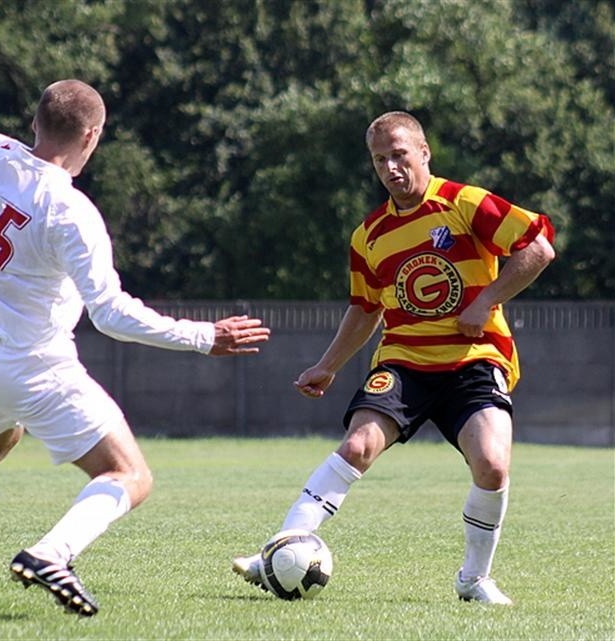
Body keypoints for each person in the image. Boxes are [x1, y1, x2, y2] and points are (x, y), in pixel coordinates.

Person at [0, 14, 271, 616]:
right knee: (131, 475)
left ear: (34, 123)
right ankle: (52, 551)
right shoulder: (70, 210)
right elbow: (111, 314)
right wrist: (205, 336)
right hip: (36, 365)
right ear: (92, 136)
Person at [232, 111, 555, 606]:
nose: (390, 167)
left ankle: (474, 579)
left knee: (492, 465)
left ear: (424, 152)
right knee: (358, 445)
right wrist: (328, 365)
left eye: (399, 154)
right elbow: (365, 308)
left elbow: (538, 246)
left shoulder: (466, 204)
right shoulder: (369, 235)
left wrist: (485, 300)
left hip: (474, 360)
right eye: (379, 160)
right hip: (404, 363)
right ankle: (278, 548)